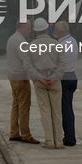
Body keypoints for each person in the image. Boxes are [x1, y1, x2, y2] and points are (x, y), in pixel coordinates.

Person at [29, 19, 66, 149]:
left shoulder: (31, 46)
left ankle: (49, 141)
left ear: (36, 31)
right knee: (56, 112)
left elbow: (28, 67)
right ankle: (59, 141)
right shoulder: (56, 44)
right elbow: (62, 64)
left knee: (45, 111)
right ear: (47, 29)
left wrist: (41, 78)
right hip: (55, 82)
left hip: (40, 82)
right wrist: (53, 77)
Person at [5, 20, 39, 144]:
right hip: (21, 78)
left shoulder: (12, 38)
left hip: (12, 76)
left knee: (16, 105)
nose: (30, 30)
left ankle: (14, 132)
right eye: (29, 28)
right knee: (24, 107)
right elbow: (26, 61)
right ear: (22, 27)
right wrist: (36, 76)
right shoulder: (20, 41)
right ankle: (26, 134)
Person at [54, 20, 79, 147]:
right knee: (68, 107)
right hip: (72, 75)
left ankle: (69, 138)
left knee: (65, 109)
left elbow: (57, 63)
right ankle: (70, 135)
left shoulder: (61, 44)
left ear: (60, 32)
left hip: (64, 77)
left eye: (56, 31)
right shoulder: (73, 41)